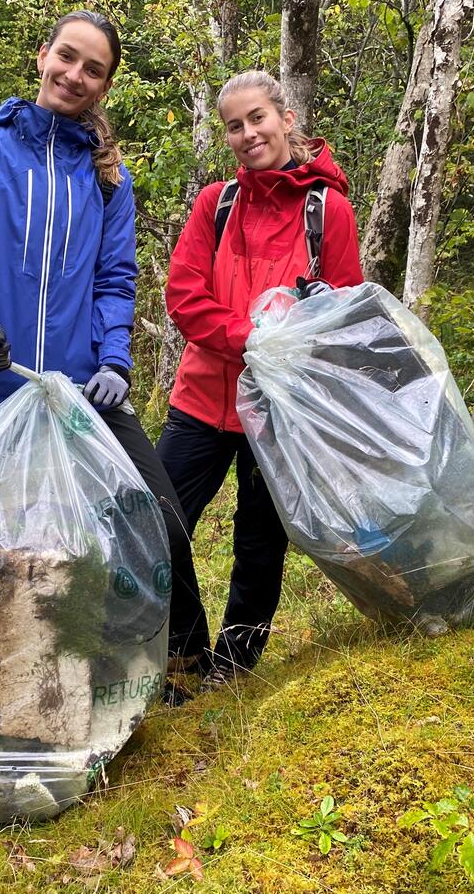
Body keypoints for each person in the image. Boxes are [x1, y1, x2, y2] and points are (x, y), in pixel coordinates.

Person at [0, 10, 198, 672]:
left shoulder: (109, 180)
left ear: (104, 87)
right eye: (67, 57)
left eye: (93, 69)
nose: (74, 75)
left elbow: (115, 279)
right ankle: (1, 692)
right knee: (16, 554)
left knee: (158, 521)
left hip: (84, 396)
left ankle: (181, 667)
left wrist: (115, 359)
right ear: (43, 54)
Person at [158, 70, 364, 692]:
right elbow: (183, 297)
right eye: (234, 125)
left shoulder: (327, 210)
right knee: (156, 522)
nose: (248, 134)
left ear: (286, 118)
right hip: (201, 398)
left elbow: (342, 317)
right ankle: (185, 647)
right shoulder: (216, 205)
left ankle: (235, 665)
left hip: (278, 410)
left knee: (259, 540)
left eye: (258, 119)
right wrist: (251, 339)